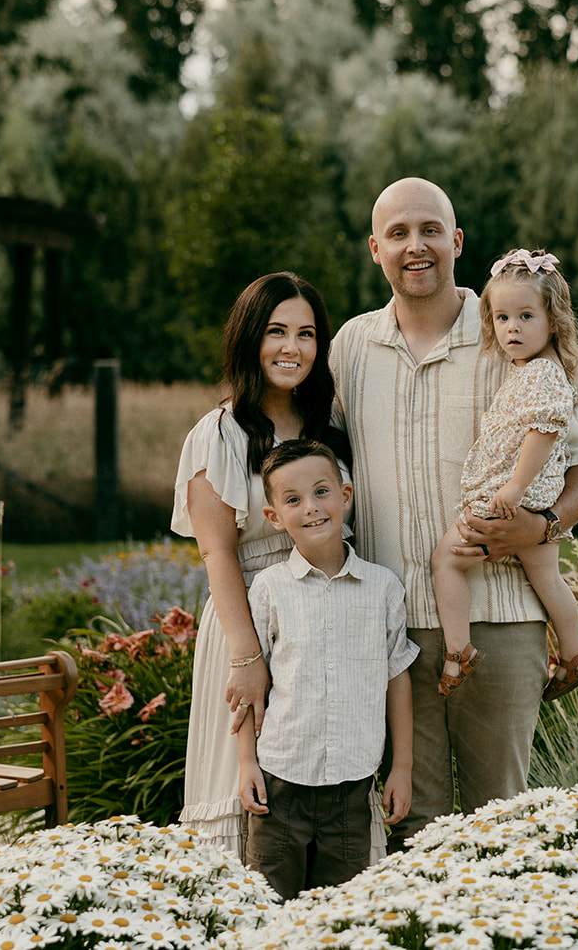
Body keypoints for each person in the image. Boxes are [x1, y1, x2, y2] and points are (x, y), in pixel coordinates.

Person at [330, 177, 578, 848]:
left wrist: (542, 527)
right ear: (375, 249)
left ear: (456, 241)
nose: (415, 245)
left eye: (430, 229)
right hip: (395, 626)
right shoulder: (350, 348)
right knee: (414, 828)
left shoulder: (509, 335)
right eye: (398, 233)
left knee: (502, 821)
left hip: (503, 618)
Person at [171, 273, 352, 857]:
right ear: (251, 339)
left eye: (306, 334)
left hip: (327, 621)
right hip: (248, 622)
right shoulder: (218, 435)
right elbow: (217, 553)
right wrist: (248, 659)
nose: (291, 348)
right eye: (276, 331)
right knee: (249, 796)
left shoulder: (332, 429)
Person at [236, 438, 417, 898]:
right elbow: (250, 690)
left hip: (352, 786)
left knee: (340, 912)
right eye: (293, 500)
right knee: (270, 903)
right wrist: (245, 764)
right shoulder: (269, 590)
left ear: (346, 496)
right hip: (280, 784)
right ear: (274, 517)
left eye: (321, 492)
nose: (312, 508)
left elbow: (397, 678)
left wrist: (402, 768)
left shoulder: (382, 588)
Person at [430, 248, 578, 702]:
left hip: (508, 498)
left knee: (446, 561)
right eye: (502, 318)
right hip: (538, 500)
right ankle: (573, 654)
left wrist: (514, 486)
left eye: (525, 316)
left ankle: (457, 649)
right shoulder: (554, 369)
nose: (512, 329)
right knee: (547, 577)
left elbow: (543, 431)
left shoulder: (539, 374)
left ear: (553, 321)